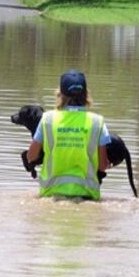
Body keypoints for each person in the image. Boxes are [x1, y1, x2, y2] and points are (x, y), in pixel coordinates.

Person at [26, 70, 111, 200]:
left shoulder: (47, 119)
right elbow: (102, 166)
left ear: (60, 94)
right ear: (86, 94)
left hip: (50, 194)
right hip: (86, 195)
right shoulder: (97, 122)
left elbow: (31, 156)